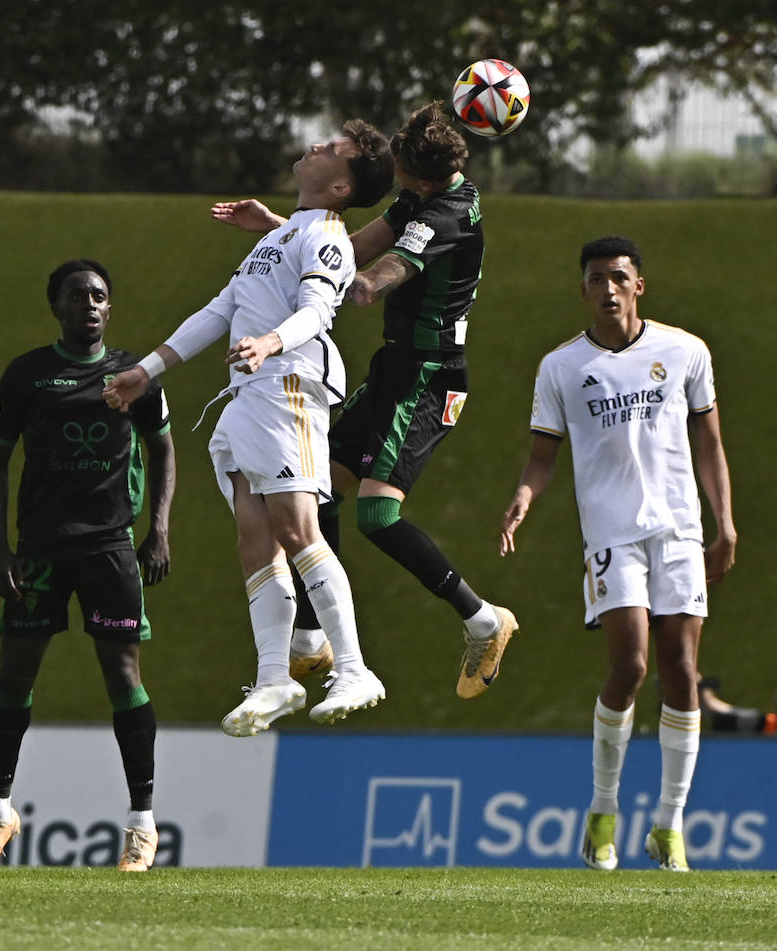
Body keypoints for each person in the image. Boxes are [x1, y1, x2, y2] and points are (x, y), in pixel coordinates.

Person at [211, 102, 518, 700]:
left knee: (377, 514)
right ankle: (309, 637)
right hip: (395, 367)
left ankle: (484, 620)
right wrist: (286, 231)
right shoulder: (423, 195)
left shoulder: (444, 216)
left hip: (430, 378)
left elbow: (378, 274)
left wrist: (347, 284)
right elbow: (348, 248)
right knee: (317, 484)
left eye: (400, 172)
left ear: (420, 181)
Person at [104, 121, 394, 735]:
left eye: (333, 149)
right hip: (247, 396)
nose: (317, 145)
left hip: (287, 387)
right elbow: (220, 310)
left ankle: (354, 667)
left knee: (298, 529)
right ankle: (273, 679)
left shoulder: (327, 235)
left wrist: (269, 342)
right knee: (253, 537)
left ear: (342, 186)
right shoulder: (287, 231)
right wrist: (146, 372)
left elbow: (318, 311)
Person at [499, 235, 737, 872]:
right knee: (630, 666)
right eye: (597, 278)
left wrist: (725, 524)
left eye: (619, 277)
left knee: (681, 669)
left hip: (679, 530)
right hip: (610, 534)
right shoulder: (561, 367)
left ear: (639, 285)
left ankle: (669, 826)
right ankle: (603, 812)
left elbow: (710, 443)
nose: (609, 288)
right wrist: (524, 495)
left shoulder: (685, 351)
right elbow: (542, 457)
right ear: (583, 289)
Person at [0, 259, 176, 873]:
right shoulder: (26, 374)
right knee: (14, 675)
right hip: (39, 548)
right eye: (78, 295)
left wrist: (159, 529)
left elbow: (164, 450)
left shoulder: (136, 375)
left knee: (123, 675)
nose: (90, 304)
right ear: (56, 306)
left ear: (110, 307)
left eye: (100, 296)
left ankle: (142, 825)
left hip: (110, 547)